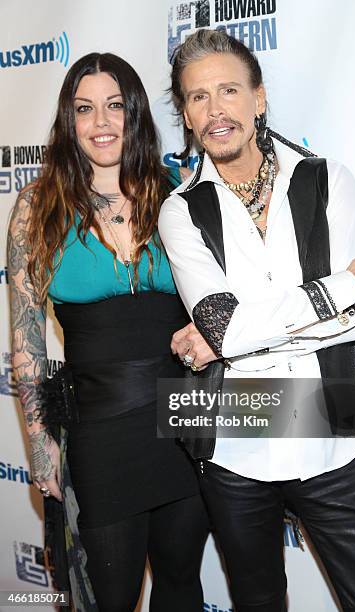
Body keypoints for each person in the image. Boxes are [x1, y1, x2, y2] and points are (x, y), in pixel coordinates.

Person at [158, 29, 355, 612]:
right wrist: (343, 286)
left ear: (259, 98)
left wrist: (237, 334)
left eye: (228, 90)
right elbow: (227, 330)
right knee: (258, 602)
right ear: (188, 118)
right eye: (198, 98)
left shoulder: (327, 181)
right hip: (236, 450)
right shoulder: (181, 211)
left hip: (331, 441)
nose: (216, 110)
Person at [7, 52, 211, 612]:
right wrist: (40, 444)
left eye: (115, 106)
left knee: (182, 585)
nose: (102, 122)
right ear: (68, 122)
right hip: (99, 432)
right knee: (108, 597)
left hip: (184, 422)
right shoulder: (37, 207)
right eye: (85, 109)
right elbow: (25, 340)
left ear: (136, 112)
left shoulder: (178, 190)